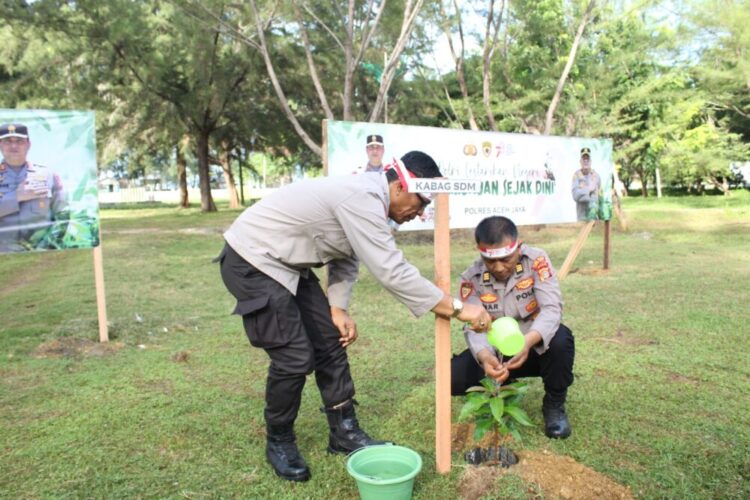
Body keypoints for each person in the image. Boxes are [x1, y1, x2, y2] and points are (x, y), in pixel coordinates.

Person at [218, 151, 492, 482]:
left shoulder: (372, 203)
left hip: (288, 263)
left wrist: (338, 307)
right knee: (294, 357)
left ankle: (344, 433)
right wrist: (459, 308)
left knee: (331, 342)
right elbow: (391, 271)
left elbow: (347, 255)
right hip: (253, 259)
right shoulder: (362, 198)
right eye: (420, 202)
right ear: (400, 186)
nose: (420, 212)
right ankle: (279, 442)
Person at [450, 216, 575, 439]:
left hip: (534, 348)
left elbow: (551, 309)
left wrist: (527, 343)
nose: (498, 267)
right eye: (490, 262)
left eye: (506, 259)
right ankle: (503, 383)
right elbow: (474, 326)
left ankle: (554, 405)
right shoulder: (472, 278)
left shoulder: (536, 261)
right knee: (453, 377)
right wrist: (486, 357)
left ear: (518, 246)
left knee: (560, 340)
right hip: (497, 351)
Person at [0, 123, 66, 252]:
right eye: (8, 141)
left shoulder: (49, 176)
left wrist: (50, 243)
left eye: (19, 141)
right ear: (0, 145)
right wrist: (16, 197)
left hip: (41, 254)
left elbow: (63, 214)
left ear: (28, 144)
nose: (14, 146)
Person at [571, 147, 601, 221]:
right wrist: (589, 189)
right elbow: (575, 196)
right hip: (581, 218)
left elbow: (595, 198)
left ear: (590, 161)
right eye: (583, 159)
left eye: (587, 159)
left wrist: (582, 193)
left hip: (594, 218)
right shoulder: (576, 175)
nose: (585, 161)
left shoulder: (596, 176)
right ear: (580, 161)